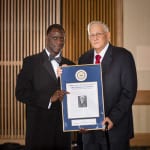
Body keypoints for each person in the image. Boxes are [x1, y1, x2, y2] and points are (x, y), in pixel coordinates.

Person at [78, 21, 137, 150]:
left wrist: (113, 118)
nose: (95, 37)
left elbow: (129, 92)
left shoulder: (123, 56)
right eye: (91, 35)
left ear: (108, 35)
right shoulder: (83, 58)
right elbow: (80, 91)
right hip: (90, 132)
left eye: (98, 33)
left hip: (115, 128)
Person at [15, 24, 75, 150]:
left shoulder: (70, 65)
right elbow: (20, 93)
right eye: (55, 38)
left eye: (62, 38)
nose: (59, 41)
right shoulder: (30, 62)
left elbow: (75, 98)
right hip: (38, 131)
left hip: (63, 134)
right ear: (47, 38)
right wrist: (48, 98)